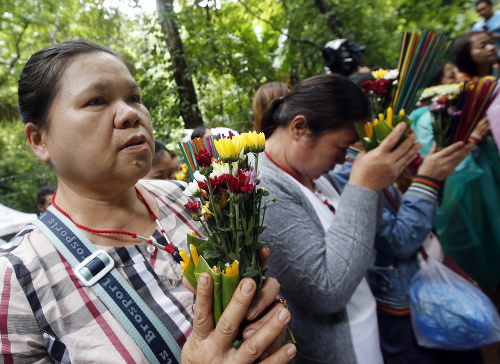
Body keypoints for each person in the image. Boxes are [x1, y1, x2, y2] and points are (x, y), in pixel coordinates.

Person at [0, 39, 296, 363]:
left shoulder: (191, 198)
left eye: (134, 98)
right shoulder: (17, 279)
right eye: (97, 100)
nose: (130, 114)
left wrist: (258, 320)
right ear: (39, 140)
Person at [258, 73, 421, 364]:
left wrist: (374, 184)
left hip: (365, 337)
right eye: (341, 147)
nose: (344, 159)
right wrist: (364, 185)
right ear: (300, 127)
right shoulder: (264, 187)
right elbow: (326, 291)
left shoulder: (313, 174)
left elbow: (362, 240)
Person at [331, 140, 480, 363]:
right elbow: (400, 239)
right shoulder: (345, 169)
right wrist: (428, 180)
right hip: (401, 302)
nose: (408, 128)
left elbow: (424, 217)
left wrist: (433, 176)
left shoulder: (380, 151)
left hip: (429, 281)